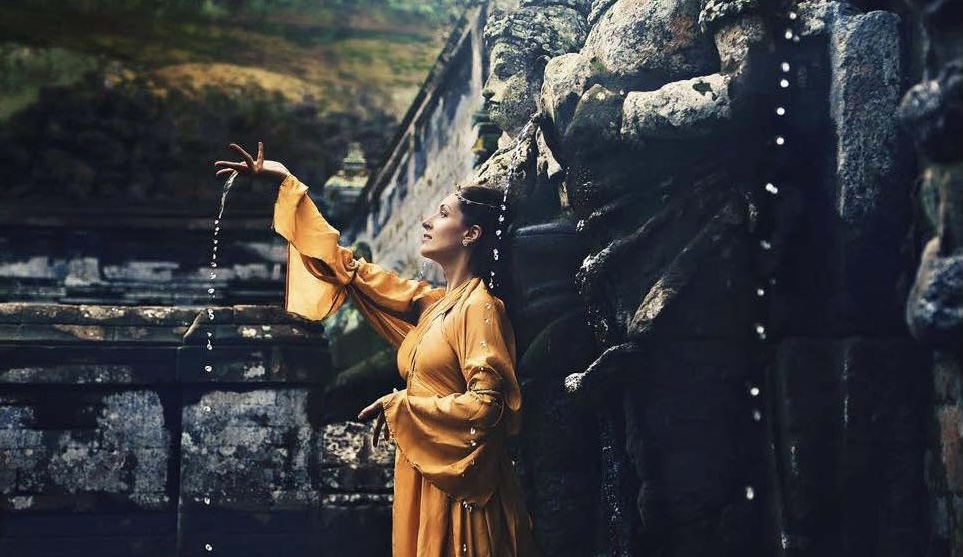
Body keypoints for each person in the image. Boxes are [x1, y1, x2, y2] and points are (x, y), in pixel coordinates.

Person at [215, 142, 537, 557]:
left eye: (441, 214)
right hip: (426, 475)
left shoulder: (481, 308)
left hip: (463, 491)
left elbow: (488, 409)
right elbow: (346, 267)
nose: (426, 221)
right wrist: (288, 184)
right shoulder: (431, 304)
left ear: (471, 234)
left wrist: (405, 406)